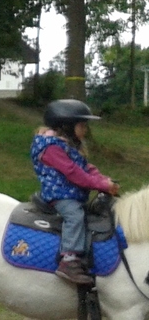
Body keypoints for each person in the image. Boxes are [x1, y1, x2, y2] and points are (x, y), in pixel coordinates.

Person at [31, 99, 119, 285]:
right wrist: (100, 185)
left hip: (71, 193)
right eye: (82, 125)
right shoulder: (51, 148)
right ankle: (68, 260)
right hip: (59, 194)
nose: (85, 130)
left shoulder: (69, 146)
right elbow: (73, 173)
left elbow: (87, 168)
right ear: (67, 126)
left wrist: (104, 180)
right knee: (75, 216)